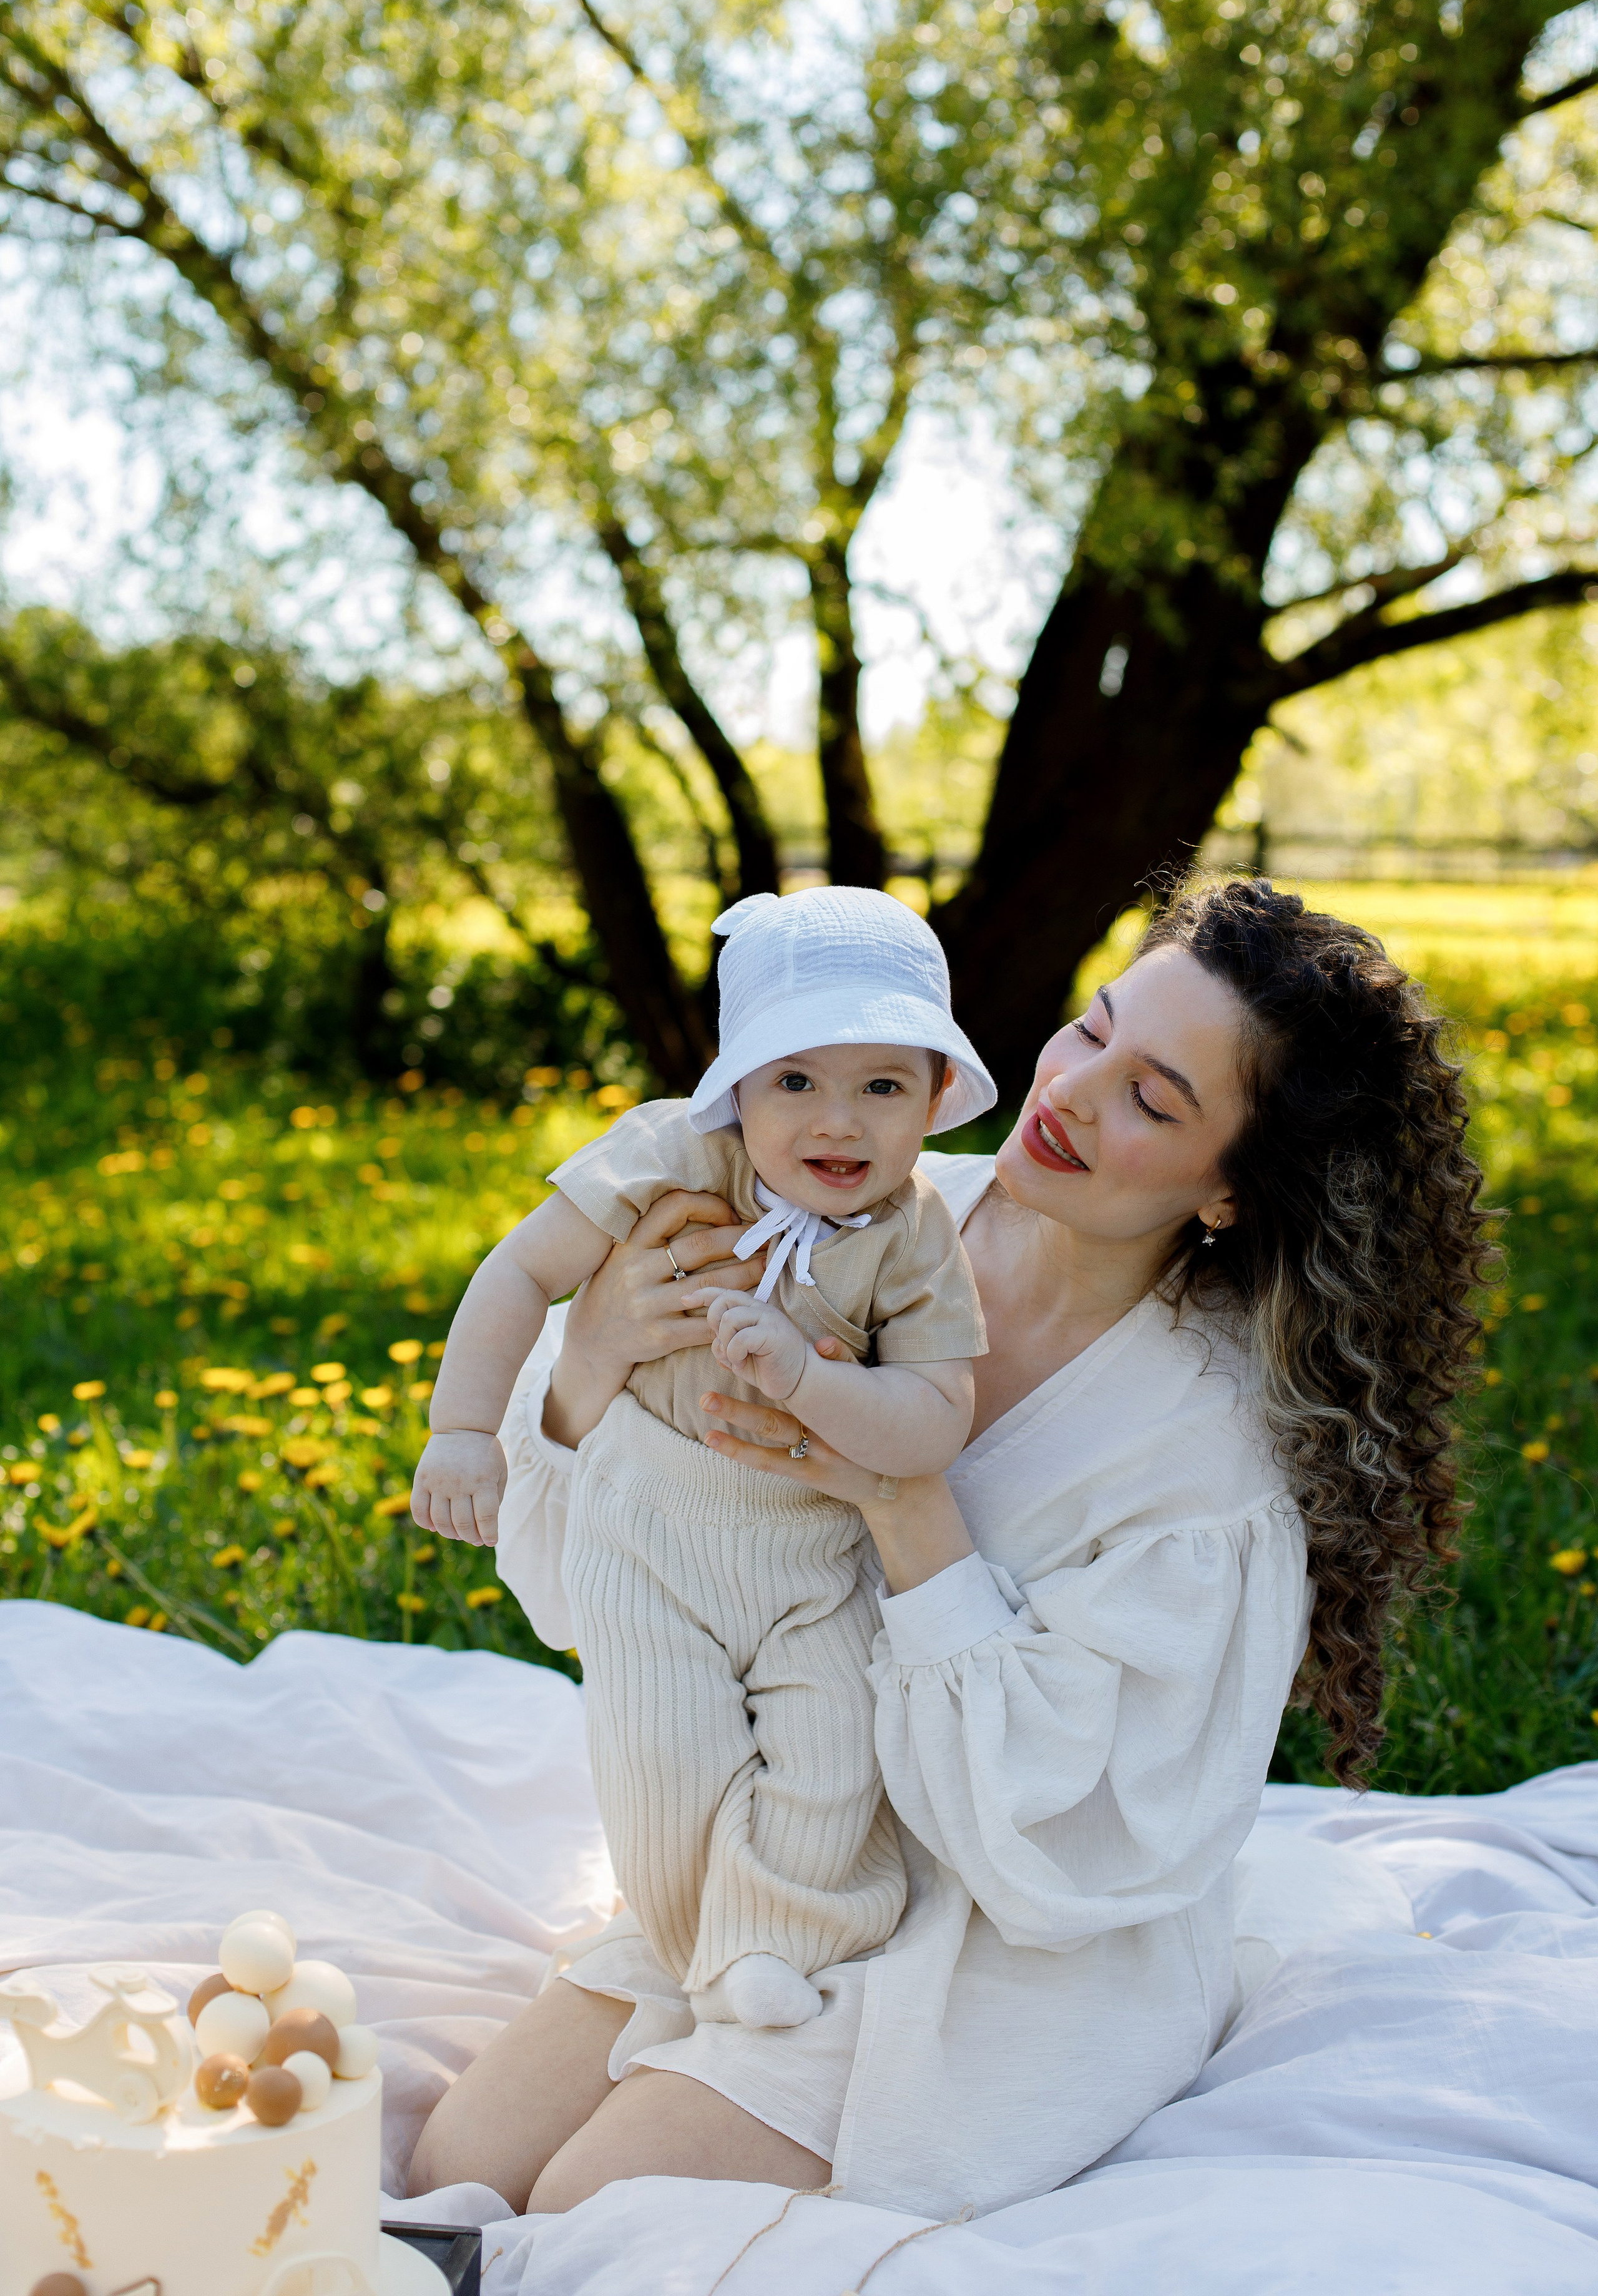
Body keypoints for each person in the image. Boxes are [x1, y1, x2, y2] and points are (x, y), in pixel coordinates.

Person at [408, 877, 1491, 2222]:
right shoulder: (860, 1203)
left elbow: (1076, 1847)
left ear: (1227, 1191)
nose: (1077, 1094)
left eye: (1154, 1100)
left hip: (994, 1942)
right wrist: (593, 1362)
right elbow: (604, 1597)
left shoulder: (1198, 1459)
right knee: (454, 2173)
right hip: (760, 1852)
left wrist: (906, 1509)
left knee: (590, 2215)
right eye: (1091, 1032)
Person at [411, 886, 997, 2032]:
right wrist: (462, 1431)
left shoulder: (917, 1233)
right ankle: (700, 1949)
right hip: (650, 1524)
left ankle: (786, 1929)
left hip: (811, 1546)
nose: (838, 1124)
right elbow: (520, 1272)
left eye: (881, 1086)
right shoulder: (674, 1153)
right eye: (795, 1081)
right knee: (660, 1753)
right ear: (736, 1087)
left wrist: (813, 1380)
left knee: (833, 1744)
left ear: (935, 1093)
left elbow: (935, 1418)